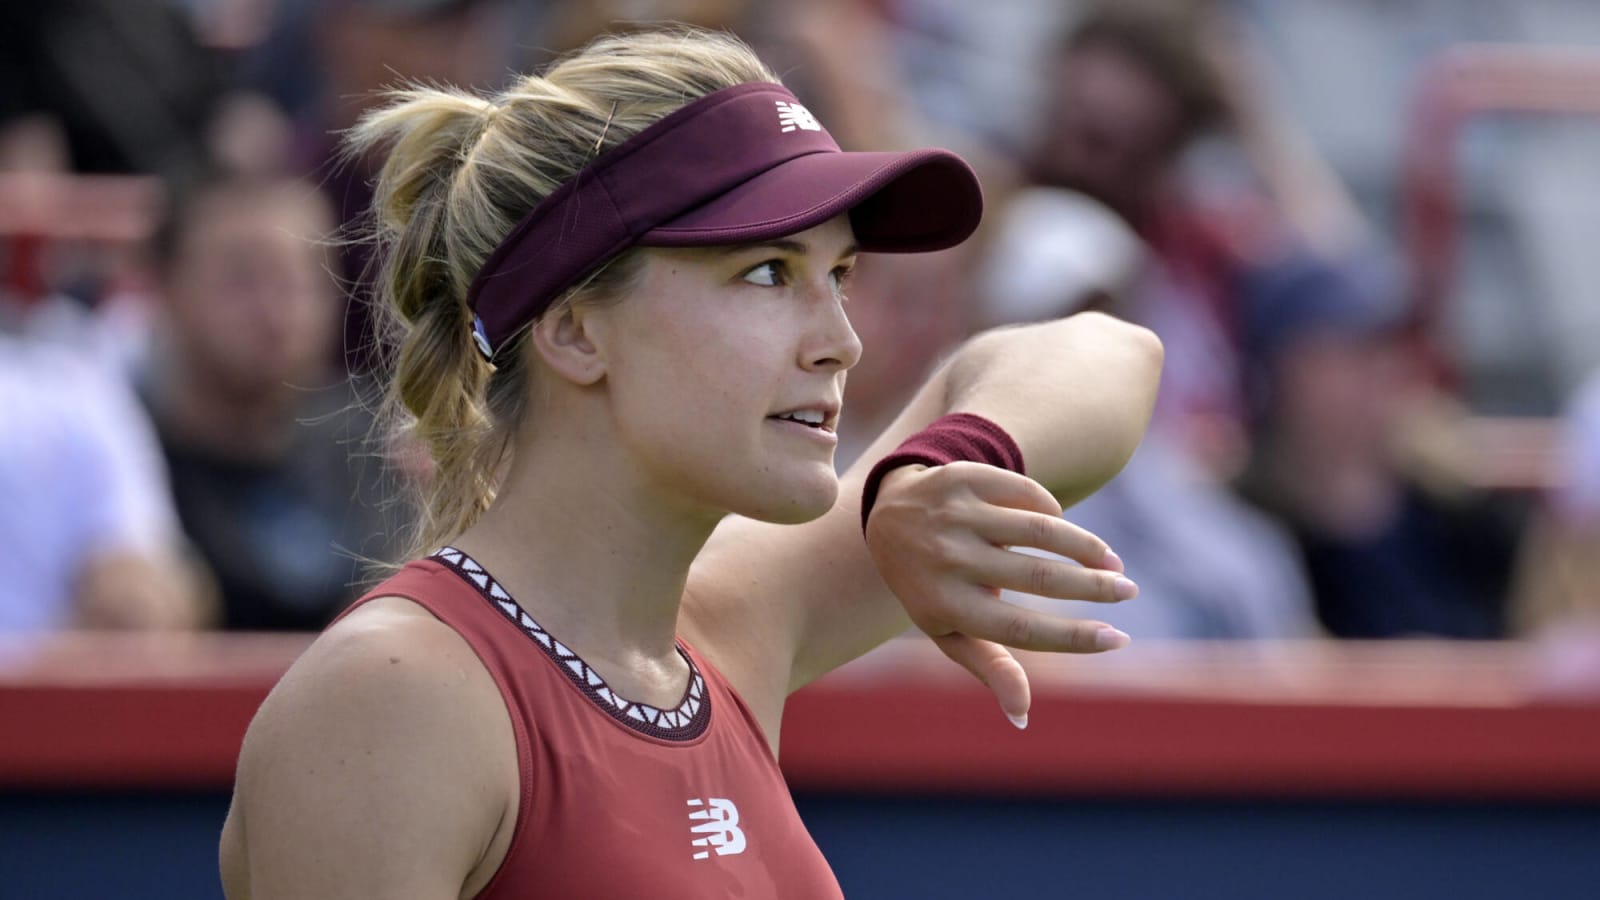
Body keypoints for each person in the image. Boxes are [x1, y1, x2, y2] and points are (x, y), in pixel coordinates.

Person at [220, 27, 1163, 897]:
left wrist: (933, 468)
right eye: (767, 272)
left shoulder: (724, 627)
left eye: (838, 276)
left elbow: (1110, 354)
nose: (842, 342)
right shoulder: (396, 694)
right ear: (576, 330)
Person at [138, 173, 400, 630]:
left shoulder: (386, 448)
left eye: (304, 278)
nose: (277, 310)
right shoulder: (121, 458)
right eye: (242, 279)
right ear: (165, 286)